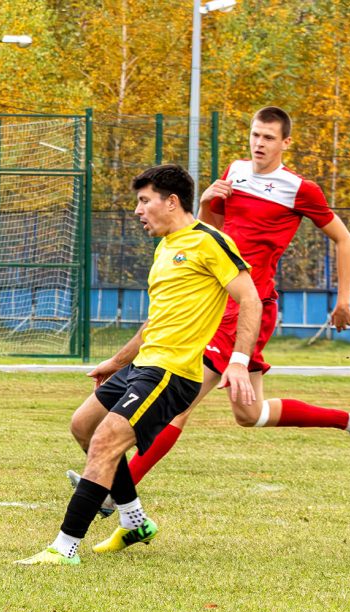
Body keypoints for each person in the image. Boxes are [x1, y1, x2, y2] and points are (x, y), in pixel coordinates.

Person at [68, 107, 350, 515]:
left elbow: (344, 239)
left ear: (286, 143)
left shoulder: (299, 188)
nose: (259, 144)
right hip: (216, 299)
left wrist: (343, 300)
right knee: (248, 414)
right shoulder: (235, 171)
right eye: (255, 135)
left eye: (269, 137)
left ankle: (113, 495)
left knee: (178, 400)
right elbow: (213, 233)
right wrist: (208, 202)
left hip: (250, 306)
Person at [17, 164, 261, 566]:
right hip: (143, 365)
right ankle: (134, 521)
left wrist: (238, 361)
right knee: (84, 426)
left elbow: (250, 299)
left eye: (144, 201)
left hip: (172, 373)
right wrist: (115, 362)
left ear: (172, 202)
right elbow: (155, 323)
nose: (138, 210)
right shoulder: (165, 247)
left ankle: (64, 548)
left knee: (105, 442)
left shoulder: (209, 242)